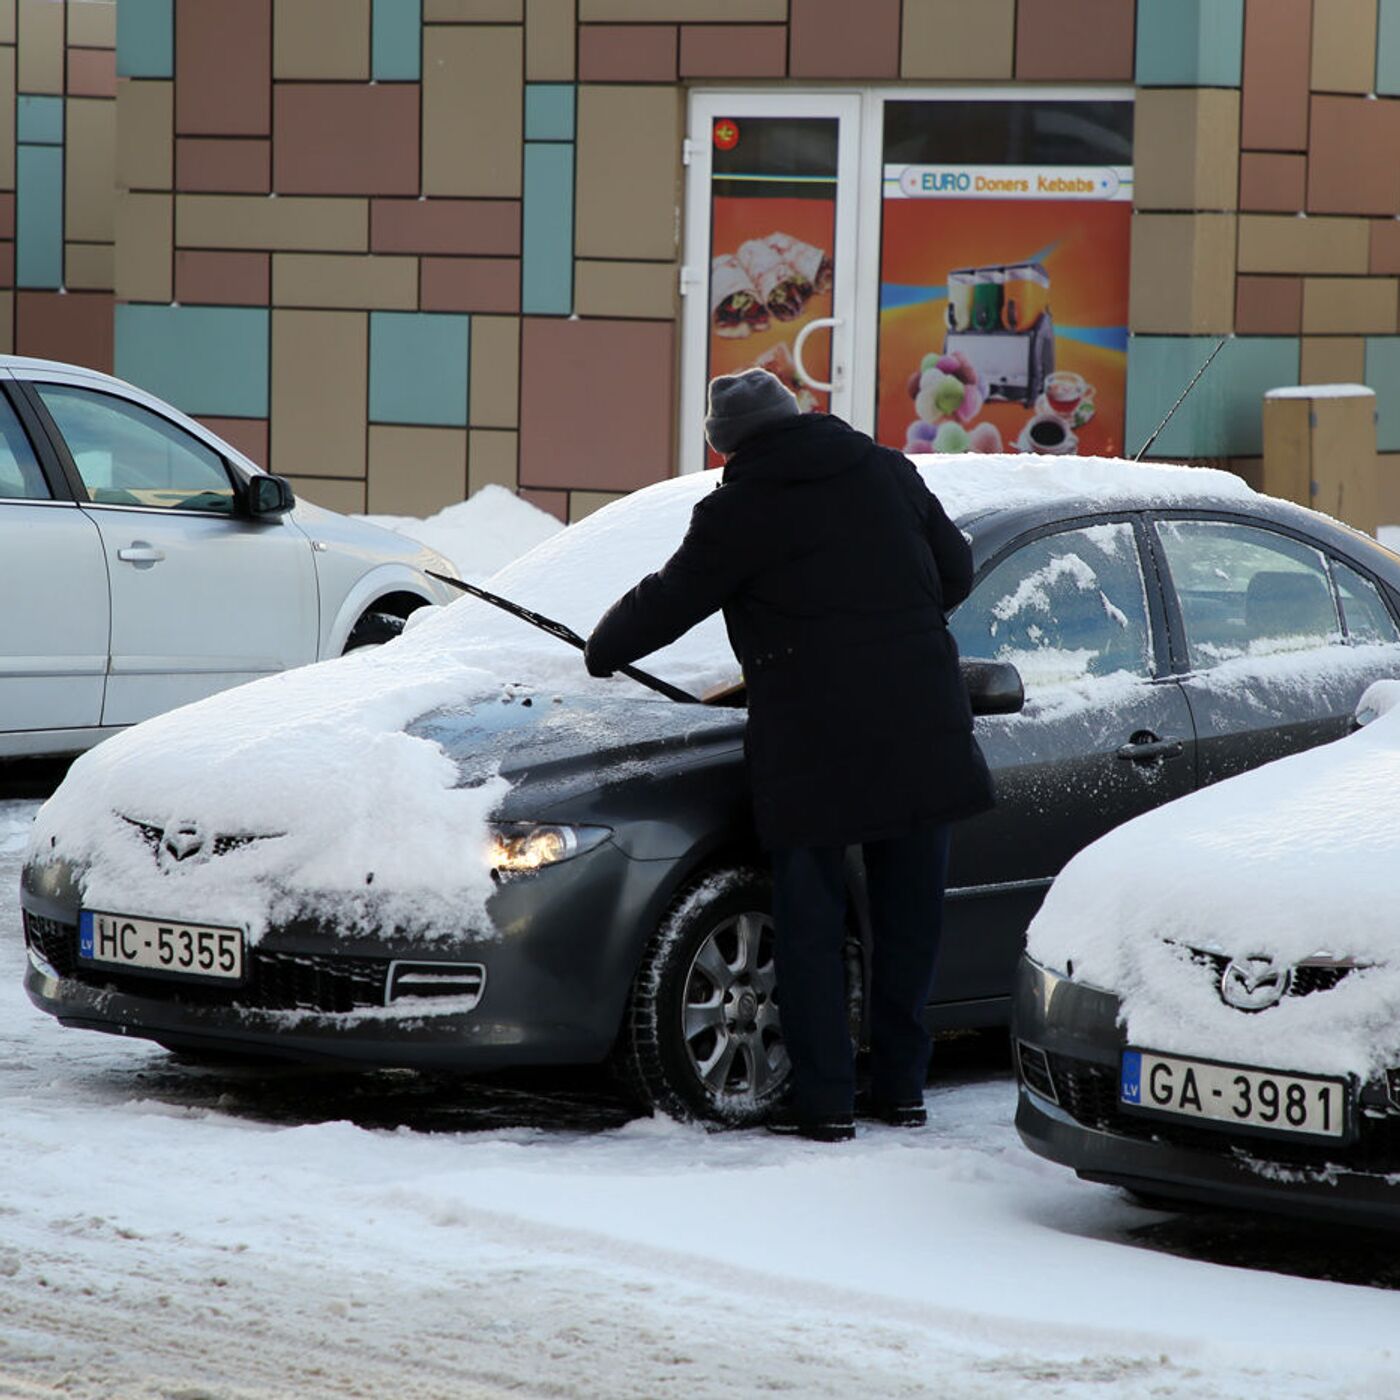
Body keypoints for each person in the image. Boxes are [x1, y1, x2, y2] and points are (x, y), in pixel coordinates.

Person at [584, 369, 993, 1141]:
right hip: (920, 722)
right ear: (797, 414)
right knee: (910, 920)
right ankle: (902, 1090)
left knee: (809, 925)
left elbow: (671, 599)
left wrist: (604, 647)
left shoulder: (740, 508)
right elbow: (956, 570)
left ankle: (828, 1103)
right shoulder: (885, 468)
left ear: (723, 446)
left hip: (816, 739)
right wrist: (892, 625)